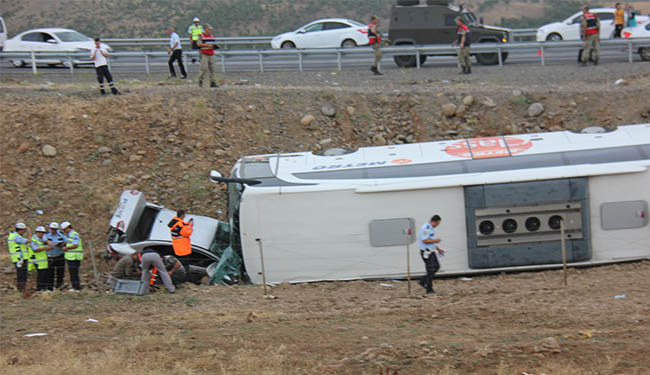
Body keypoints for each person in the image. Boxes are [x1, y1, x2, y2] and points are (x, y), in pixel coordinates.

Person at [417, 215, 445, 295]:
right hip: (427, 252)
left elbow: (430, 240)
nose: (438, 225)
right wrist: (436, 240)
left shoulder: (430, 228)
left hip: (431, 251)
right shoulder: (426, 228)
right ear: (435, 221)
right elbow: (425, 240)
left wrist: (438, 248)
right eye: (438, 223)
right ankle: (429, 289)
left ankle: (423, 281)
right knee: (430, 270)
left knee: (436, 267)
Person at [7, 222, 32, 293]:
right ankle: (21, 290)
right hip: (20, 259)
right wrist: (29, 233)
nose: (24, 232)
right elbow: (28, 241)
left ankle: (21, 289)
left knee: (21, 274)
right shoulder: (16, 237)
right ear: (20, 230)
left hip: (17, 258)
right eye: (24, 230)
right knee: (22, 275)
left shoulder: (13, 235)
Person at [61, 221, 83, 291]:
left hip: (74, 257)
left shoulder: (74, 234)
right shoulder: (70, 235)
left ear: (68, 228)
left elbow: (75, 245)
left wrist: (66, 248)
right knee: (72, 273)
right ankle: (75, 287)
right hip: (71, 257)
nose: (64, 231)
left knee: (74, 273)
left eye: (64, 230)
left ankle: (76, 288)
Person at [44, 222, 66, 290]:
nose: (53, 231)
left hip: (59, 255)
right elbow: (42, 241)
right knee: (50, 273)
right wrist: (48, 242)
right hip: (50, 256)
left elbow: (67, 241)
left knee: (60, 272)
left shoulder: (61, 235)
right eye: (52, 229)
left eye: (55, 229)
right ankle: (50, 288)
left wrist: (62, 244)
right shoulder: (46, 235)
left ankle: (59, 287)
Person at [30, 226, 52, 291]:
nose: (43, 235)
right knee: (40, 276)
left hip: (43, 261)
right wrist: (45, 248)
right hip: (38, 261)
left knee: (44, 276)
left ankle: (44, 289)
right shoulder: (33, 239)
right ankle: (39, 289)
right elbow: (35, 249)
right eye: (42, 233)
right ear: (38, 232)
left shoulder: (40, 240)